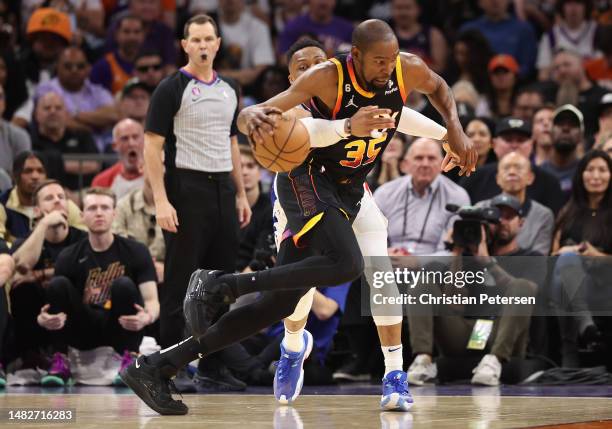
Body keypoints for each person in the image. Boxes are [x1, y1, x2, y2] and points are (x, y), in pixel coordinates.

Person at [121, 19, 477, 415]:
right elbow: (253, 116)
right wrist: (337, 125)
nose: (387, 68)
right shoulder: (322, 82)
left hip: (349, 190)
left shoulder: (400, 69)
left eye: (391, 60)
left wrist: (451, 132)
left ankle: (156, 366)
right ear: (354, 57)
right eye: (379, 61)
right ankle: (225, 286)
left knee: (275, 304)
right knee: (345, 263)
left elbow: (434, 92)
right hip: (306, 181)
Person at [141, 14, 251, 391]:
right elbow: (151, 147)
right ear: (185, 45)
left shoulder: (231, 88)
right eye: (196, 40)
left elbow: (232, 142)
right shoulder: (171, 88)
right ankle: (165, 370)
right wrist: (161, 201)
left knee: (219, 285)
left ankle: (213, 367)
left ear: (218, 43)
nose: (203, 46)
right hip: (186, 189)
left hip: (222, 189)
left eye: (209, 39)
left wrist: (240, 192)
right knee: (179, 283)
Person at [407, 194, 539, 387]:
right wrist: (457, 255)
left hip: (500, 334)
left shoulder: (531, 256)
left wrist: (489, 263)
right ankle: (423, 360)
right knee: (422, 283)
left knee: (522, 286)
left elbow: (529, 293)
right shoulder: (465, 257)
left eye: (508, 217)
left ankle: (494, 362)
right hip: (465, 333)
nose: (501, 222)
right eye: (496, 218)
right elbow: (454, 305)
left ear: (521, 222)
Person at [39, 187, 159, 386]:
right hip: (82, 329)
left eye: (105, 207)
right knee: (58, 284)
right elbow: (55, 302)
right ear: (82, 215)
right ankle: (60, 361)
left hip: (120, 327)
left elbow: (152, 301)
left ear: (114, 213)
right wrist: (44, 319)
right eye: (92, 208)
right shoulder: (69, 256)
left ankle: (130, 358)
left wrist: (147, 317)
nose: (99, 213)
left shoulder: (136, 250)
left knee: (124, 285)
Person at [9, 180, 87, 368]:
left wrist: (40, 274)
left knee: (59, 284)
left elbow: (81, 274)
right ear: (36, 210)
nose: (57, 201)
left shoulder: (82, 239)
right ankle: (31, 355)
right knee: (23, 289)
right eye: (49, 198)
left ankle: (62, 356)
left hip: (75, 312)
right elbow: (22, 267)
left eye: (61, 197)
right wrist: (43, 224)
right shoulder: (27, 240)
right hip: (38, 316)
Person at [551, 150, 612, 367]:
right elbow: (554, 254)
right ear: (581, 175)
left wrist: (597, 255)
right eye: (590, 170)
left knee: (563, 277)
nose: (596, 176)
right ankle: (584, 324)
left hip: (606, 283)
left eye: (602, 170)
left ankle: (570, 350)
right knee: (565, 266)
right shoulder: (568, 211)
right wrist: (573, 252)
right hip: (576, 281)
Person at [374, 138, 470, 255]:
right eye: (419, 158)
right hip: (388, 266)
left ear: (442, 164)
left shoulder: (457, 196)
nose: (425, 164)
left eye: (431, 158)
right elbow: (371, 239)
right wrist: (385, 255)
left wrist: (418, 262)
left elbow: (452, 250)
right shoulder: (385, 193)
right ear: (405, 165)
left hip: (435, 270)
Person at [460, 117, 566, 213]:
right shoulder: (475, 178)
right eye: (508, 139)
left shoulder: (549, 183)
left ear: (531, 144)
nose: (514, 145)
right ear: (495, 144)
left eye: (521, 140)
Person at [477, 152, 555, 255]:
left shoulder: (543, 215)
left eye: (518, 168)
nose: (512, 172)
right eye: (506, 168)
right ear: (497, 178)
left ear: (530, 178)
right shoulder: (481, 208)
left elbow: (538, 261)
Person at [1, 151, 85, 242]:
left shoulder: (64, 204)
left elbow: (85, 237)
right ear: (15, 176)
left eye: (40, 171)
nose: (35, 176)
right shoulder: (3, 204)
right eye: (28, 171)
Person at [30, 92, 100, 191]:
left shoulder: (82, 135)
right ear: (36, 114)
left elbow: (95, 164)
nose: (52, 111)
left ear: (67, 114)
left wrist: (56, 164)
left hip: (81, 193)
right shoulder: (29, 138)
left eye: (58, 108)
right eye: (47, 108)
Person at [90, 15, 145, 95]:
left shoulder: (152, 65)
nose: (132, 37)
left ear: (143, 35)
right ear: (116, 35)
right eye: (126, 31)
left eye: (136, 32)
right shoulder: (103, 67)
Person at [92, 119, 145, 200]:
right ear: (114, 146)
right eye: (125, 138)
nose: (131, 143)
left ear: (145, 141)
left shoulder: (160, 177)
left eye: (135, 137)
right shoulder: (102, 182)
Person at [540, 104, 583, 200]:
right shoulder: (539, 174)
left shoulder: (586, 173)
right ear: (550, 132)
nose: (566, 128)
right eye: (560, 124)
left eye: (573, 125)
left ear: (581, 135)